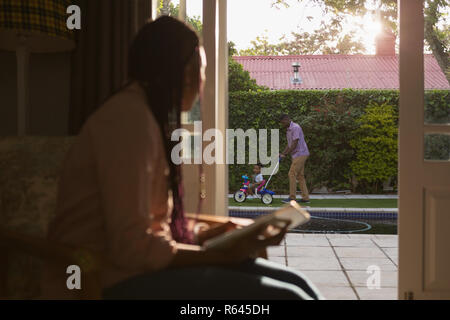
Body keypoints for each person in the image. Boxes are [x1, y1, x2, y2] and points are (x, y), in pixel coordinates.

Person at [42, 16, 322, 300]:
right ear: (185, 73)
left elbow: (151, 223)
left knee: (298, 284)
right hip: (107, 280)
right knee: (289, 297)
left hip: (138, 269)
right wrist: (216, 257)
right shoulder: (129, 123)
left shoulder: (144, 116)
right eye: (201, 70)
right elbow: (133, 248)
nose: (202, 81)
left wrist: (219, 232)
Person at [279, 114, 311, 204]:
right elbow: (289, 144)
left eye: (283, 122)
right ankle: (306, 198)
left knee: (291, 173)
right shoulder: (288, 130)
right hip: (296, 155)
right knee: (300, 176)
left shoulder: (295, 127)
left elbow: (295, 143)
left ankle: (292, 197)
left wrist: (285, 154)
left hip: (301, 153)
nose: (282, 124)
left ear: (286, 120)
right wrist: (282, 153)